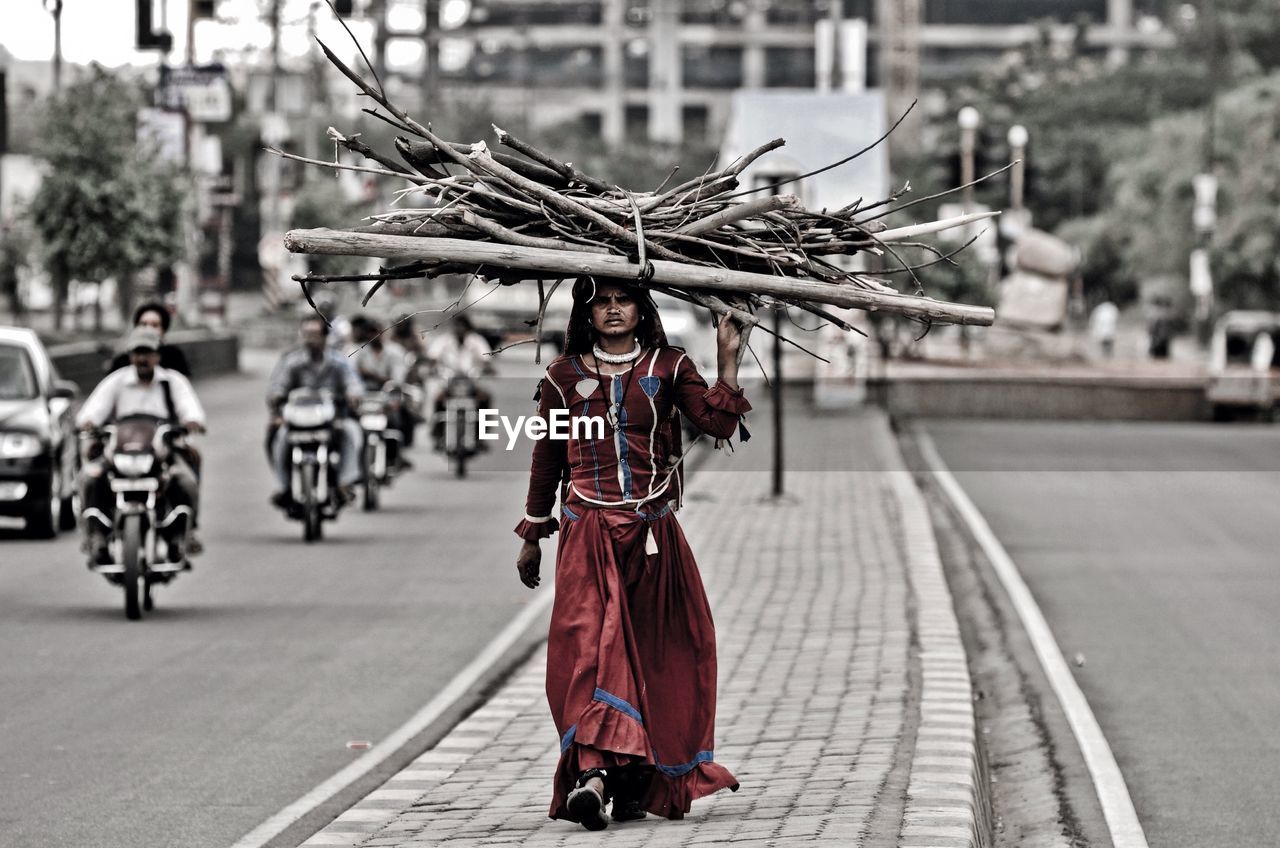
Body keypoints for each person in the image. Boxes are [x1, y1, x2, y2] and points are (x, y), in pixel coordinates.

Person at [514, 278, 749, 830]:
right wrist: (532, 533)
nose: (613, 309)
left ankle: (630, 780)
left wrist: (728, 361)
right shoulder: (562, 378)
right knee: (591, 653)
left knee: (659, 652)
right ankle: (592, 776)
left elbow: (716, 423)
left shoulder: (669, 367)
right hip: (586, 534)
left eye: (624, 299)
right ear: (587, 313)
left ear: (642, 309)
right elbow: (547, 456)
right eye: (602, 301)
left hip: (652, 537)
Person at [77, 327, 206, 564]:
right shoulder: (116, 382)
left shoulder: (173, 382)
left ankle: (181, 536)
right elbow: (92, 410)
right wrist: (88, 423)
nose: (142, 358)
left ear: (158, 355)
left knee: (186, 481)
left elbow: (191, 409)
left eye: (147, 352)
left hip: (161, 454)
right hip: (119, 453)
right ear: (130, 356)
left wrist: (191, 422)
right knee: (89, 478)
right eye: (137, 352)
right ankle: (95, 536)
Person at [266, 315, 364, 506]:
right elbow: (278, 385)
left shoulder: (338, 361)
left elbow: (353, 383)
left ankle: (344, 482)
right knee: (278, 437)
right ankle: (284, 486)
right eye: (307, 334)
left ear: (325, 337)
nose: (310, 339)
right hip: (299, 420)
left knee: (352, 432)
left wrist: (353, 395)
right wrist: (276, 396)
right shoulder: (292, 361)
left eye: (315, 334)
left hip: (331, 418)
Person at [110, 302, 192, 377]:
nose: (148, 329)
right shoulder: (122, 360)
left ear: (163, 330)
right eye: (143, 324)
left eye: (154, 325)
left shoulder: (174, 357)